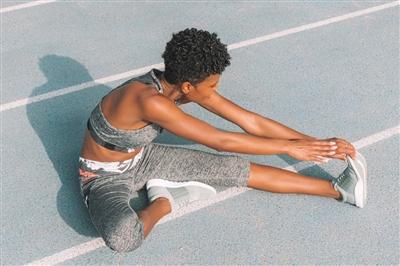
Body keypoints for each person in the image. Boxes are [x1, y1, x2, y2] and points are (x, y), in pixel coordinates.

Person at [78, 27, 363, 253]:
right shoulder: (149, 101)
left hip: (143, 157)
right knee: (124, 237)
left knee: (233, 169)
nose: (216, 89)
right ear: (188, 86)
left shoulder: (178, 85)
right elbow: (220, 140)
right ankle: (164, 202)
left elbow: (249, 121)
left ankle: (339, 190)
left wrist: (317, 143)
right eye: (212, 84)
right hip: (103, 177)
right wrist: (289, 148)